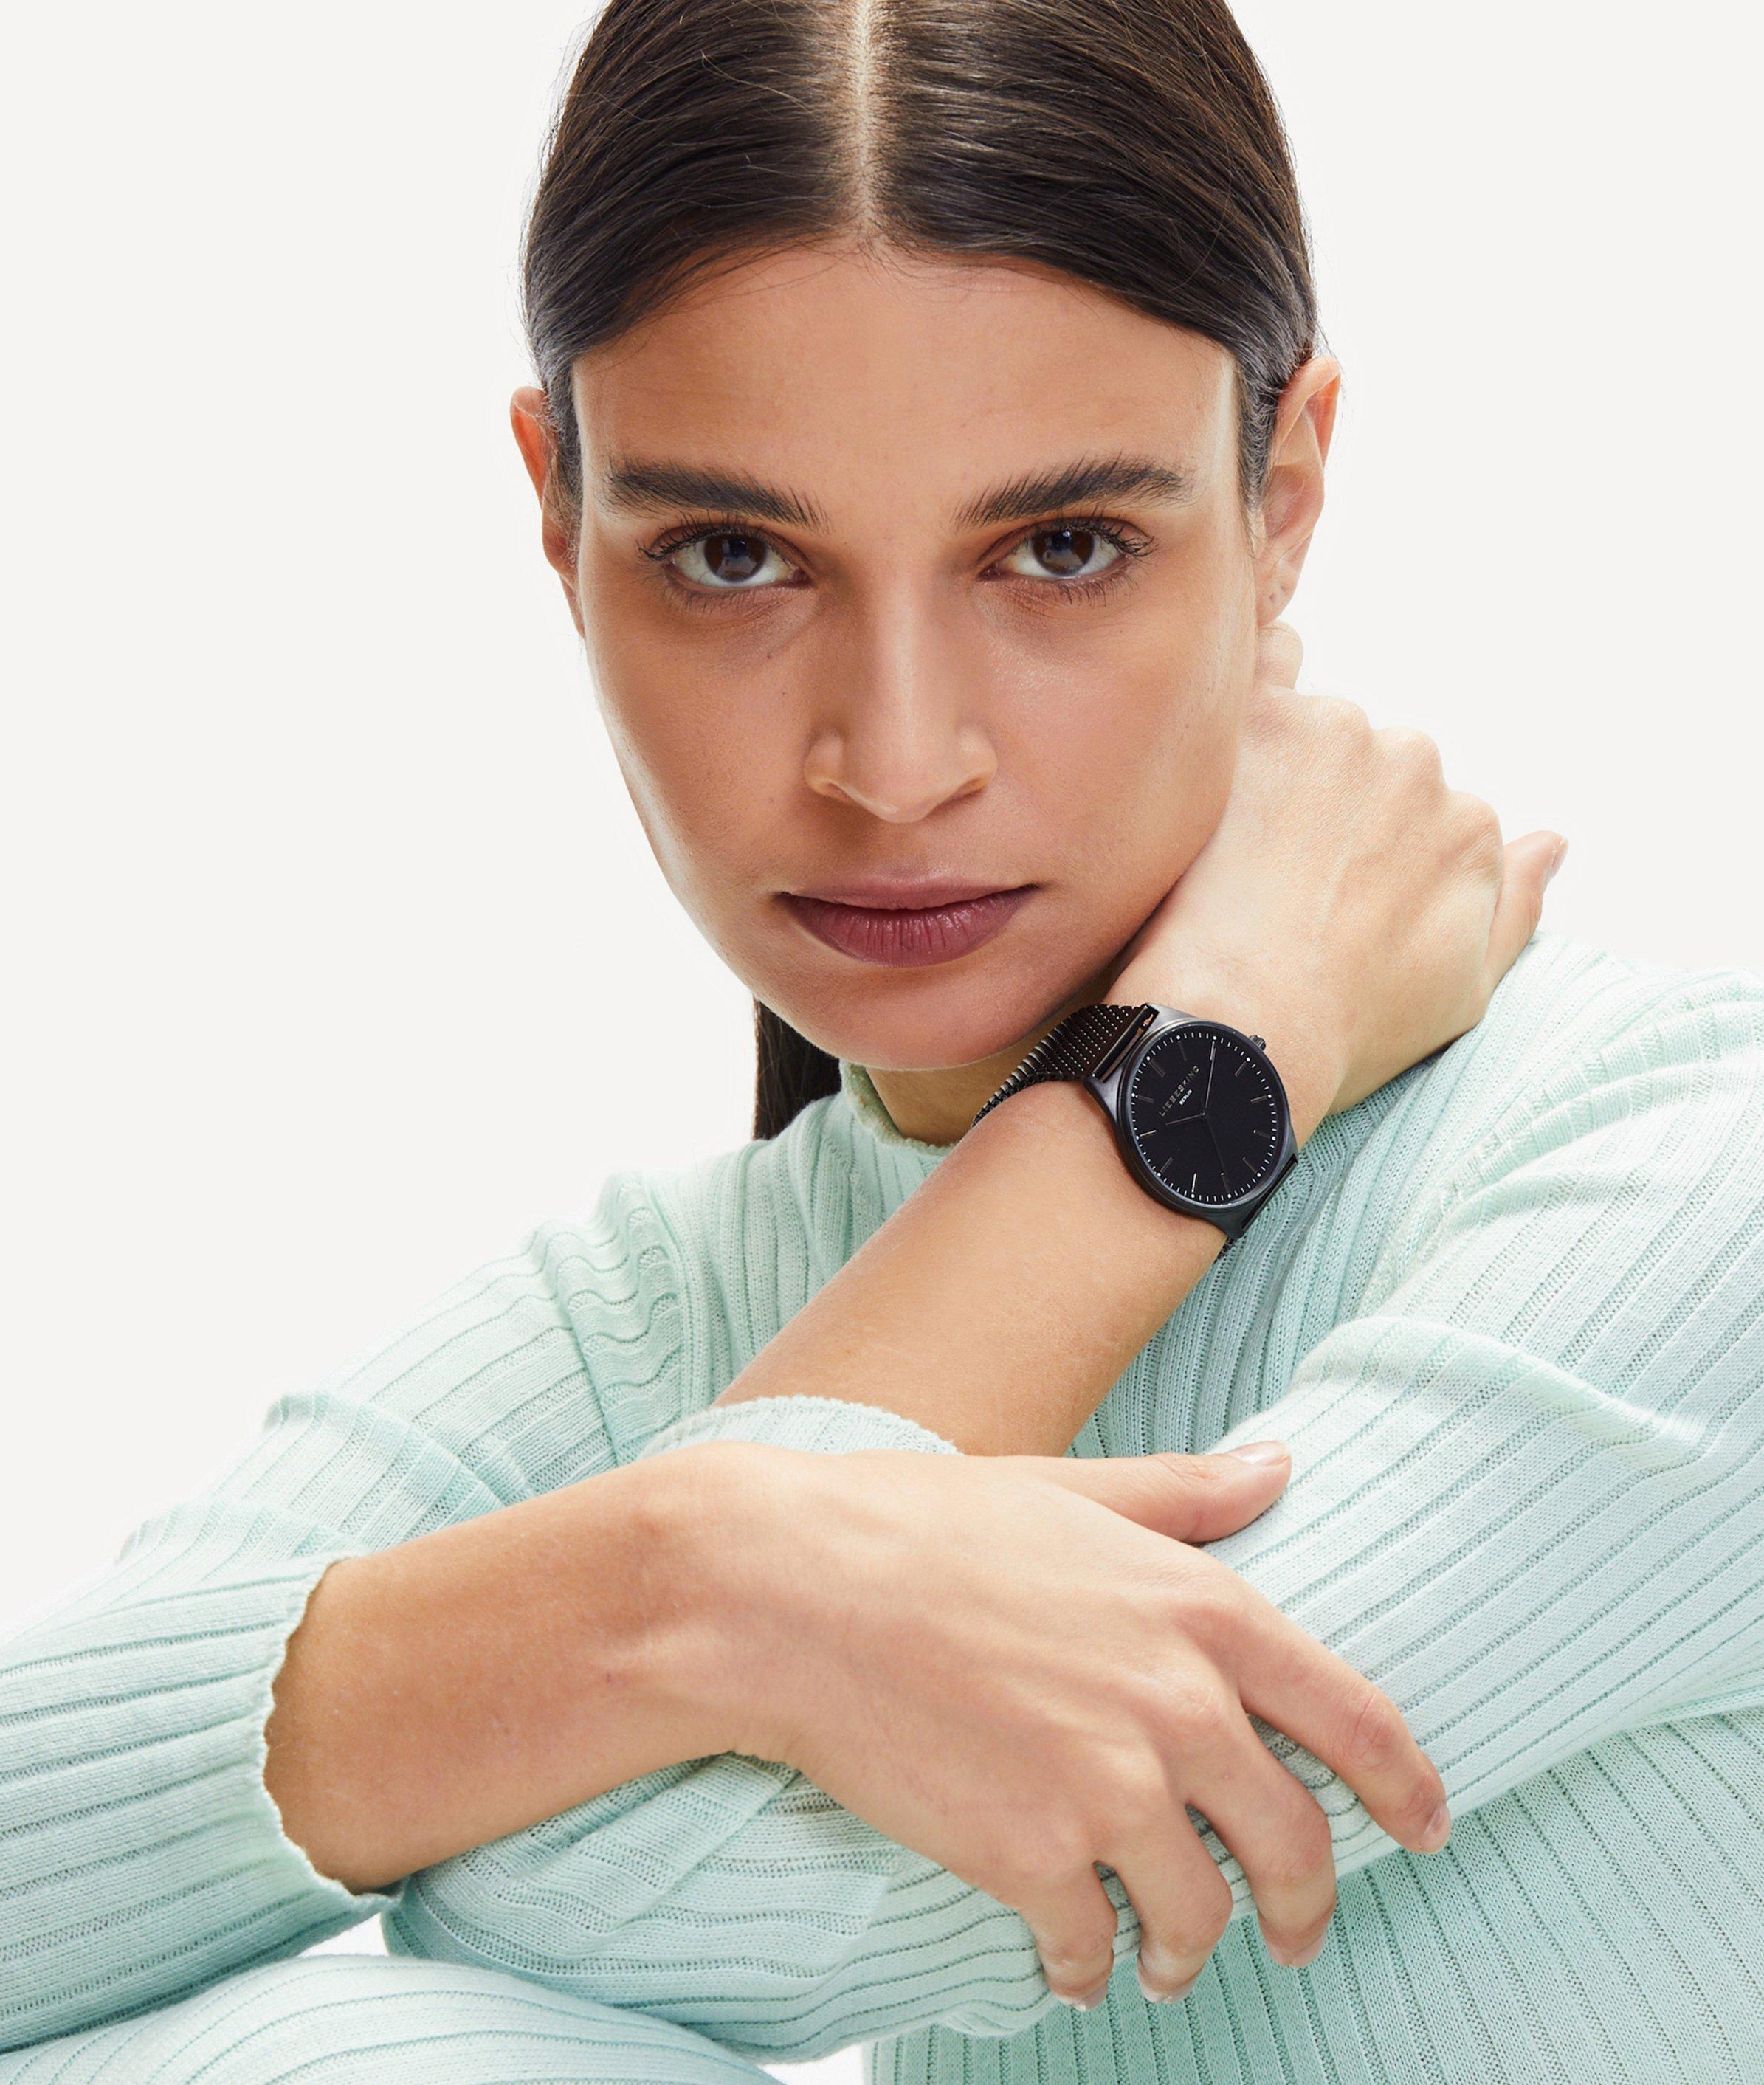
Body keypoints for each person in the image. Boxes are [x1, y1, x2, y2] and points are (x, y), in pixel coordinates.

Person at [3, 1, 1761, 2081]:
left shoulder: (1679, 1165)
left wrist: (678, 1578)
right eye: (734, 557)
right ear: (560, 518)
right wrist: (723, 1560)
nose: (898, 759)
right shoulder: (655, 1308)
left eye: (1063, 549)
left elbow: (624, 1914)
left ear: (1283, 493)